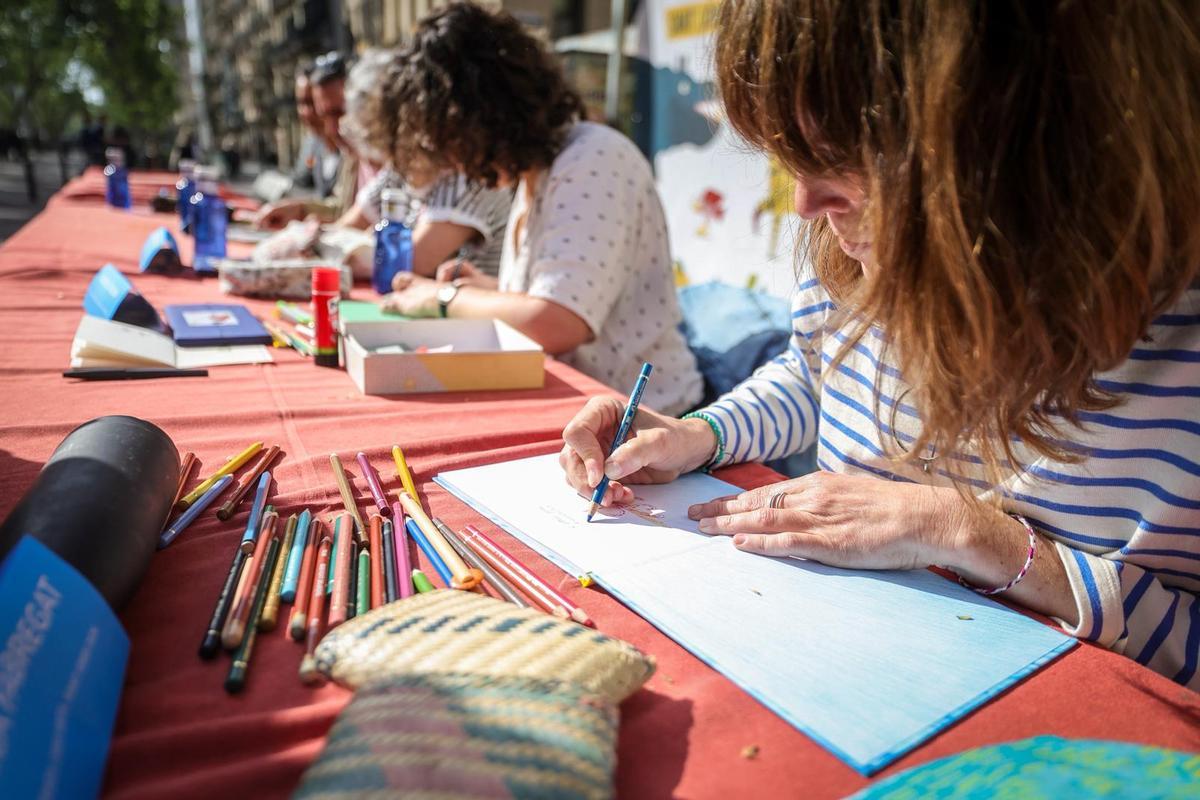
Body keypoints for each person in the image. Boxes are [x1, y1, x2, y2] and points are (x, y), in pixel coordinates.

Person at [559, 0, 1200, 689]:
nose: (804, 202)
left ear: (1034, 134)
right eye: (793, 155)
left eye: (844, 152)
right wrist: (702, 434)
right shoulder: (852, 252)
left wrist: (973, 534)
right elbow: (815, 375)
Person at [377, 2, 703, 416]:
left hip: (653, 424)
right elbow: (562, 295)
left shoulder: (593, 159)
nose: (453, 165)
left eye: (452, 144)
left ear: (483, 118)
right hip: (591, 414)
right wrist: (491, 292)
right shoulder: (542, 171)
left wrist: (442, 298)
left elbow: (559, 322)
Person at [335, 48, 514, 277]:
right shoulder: (403, 167)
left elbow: (408, 264)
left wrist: (358, 247)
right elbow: (344, 229)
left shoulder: (470, 175)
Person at [255, 52, 355, 229]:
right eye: (301, 103)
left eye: (338, 112)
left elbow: (352, 215)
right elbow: (342, 207)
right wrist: (299, 209)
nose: (307, 113)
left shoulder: (358, 147)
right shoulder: (314, 145)